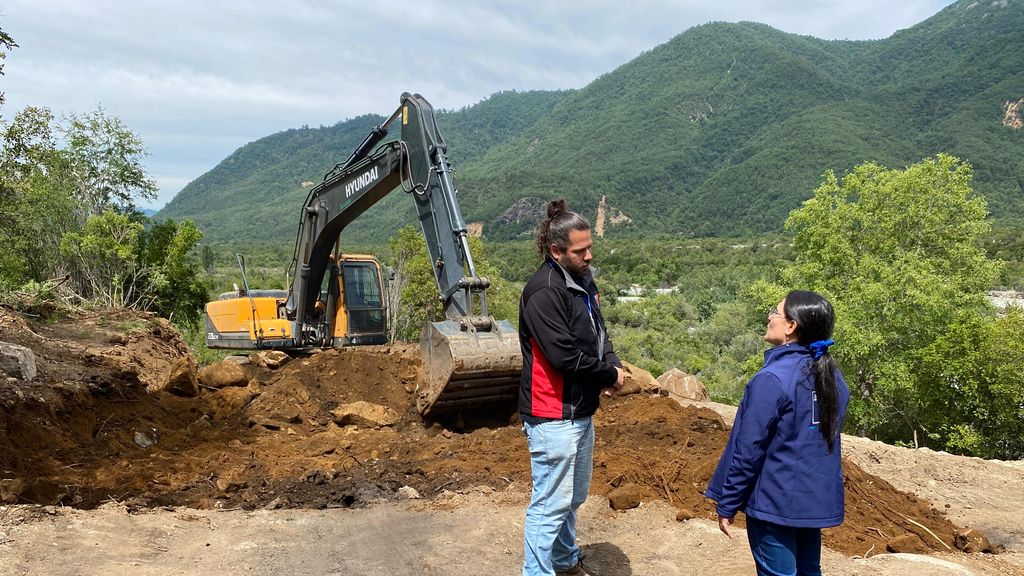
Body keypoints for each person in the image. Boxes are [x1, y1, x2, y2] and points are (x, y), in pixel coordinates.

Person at [705, 290, 850, 576]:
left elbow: (748, 450)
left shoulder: (772, 379)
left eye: (775, 311)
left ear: (791, 326)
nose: (770, 316)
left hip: (775, 504)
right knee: (810, 572)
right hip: (810, 505)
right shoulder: (833, 377)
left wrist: (728, 502)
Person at [519, 199, 625, 576]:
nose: (589, 256)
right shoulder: (544, 292)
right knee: (549, 504)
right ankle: (537, 571)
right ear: (555, 251)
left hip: (579, 410)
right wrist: (608, 377)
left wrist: (611, 363)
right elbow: (564, 357)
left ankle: (563, 560)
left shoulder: (583, 281)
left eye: (589, 247)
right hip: (552, 416)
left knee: (572, 497)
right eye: (580, 251)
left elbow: (598, 333)